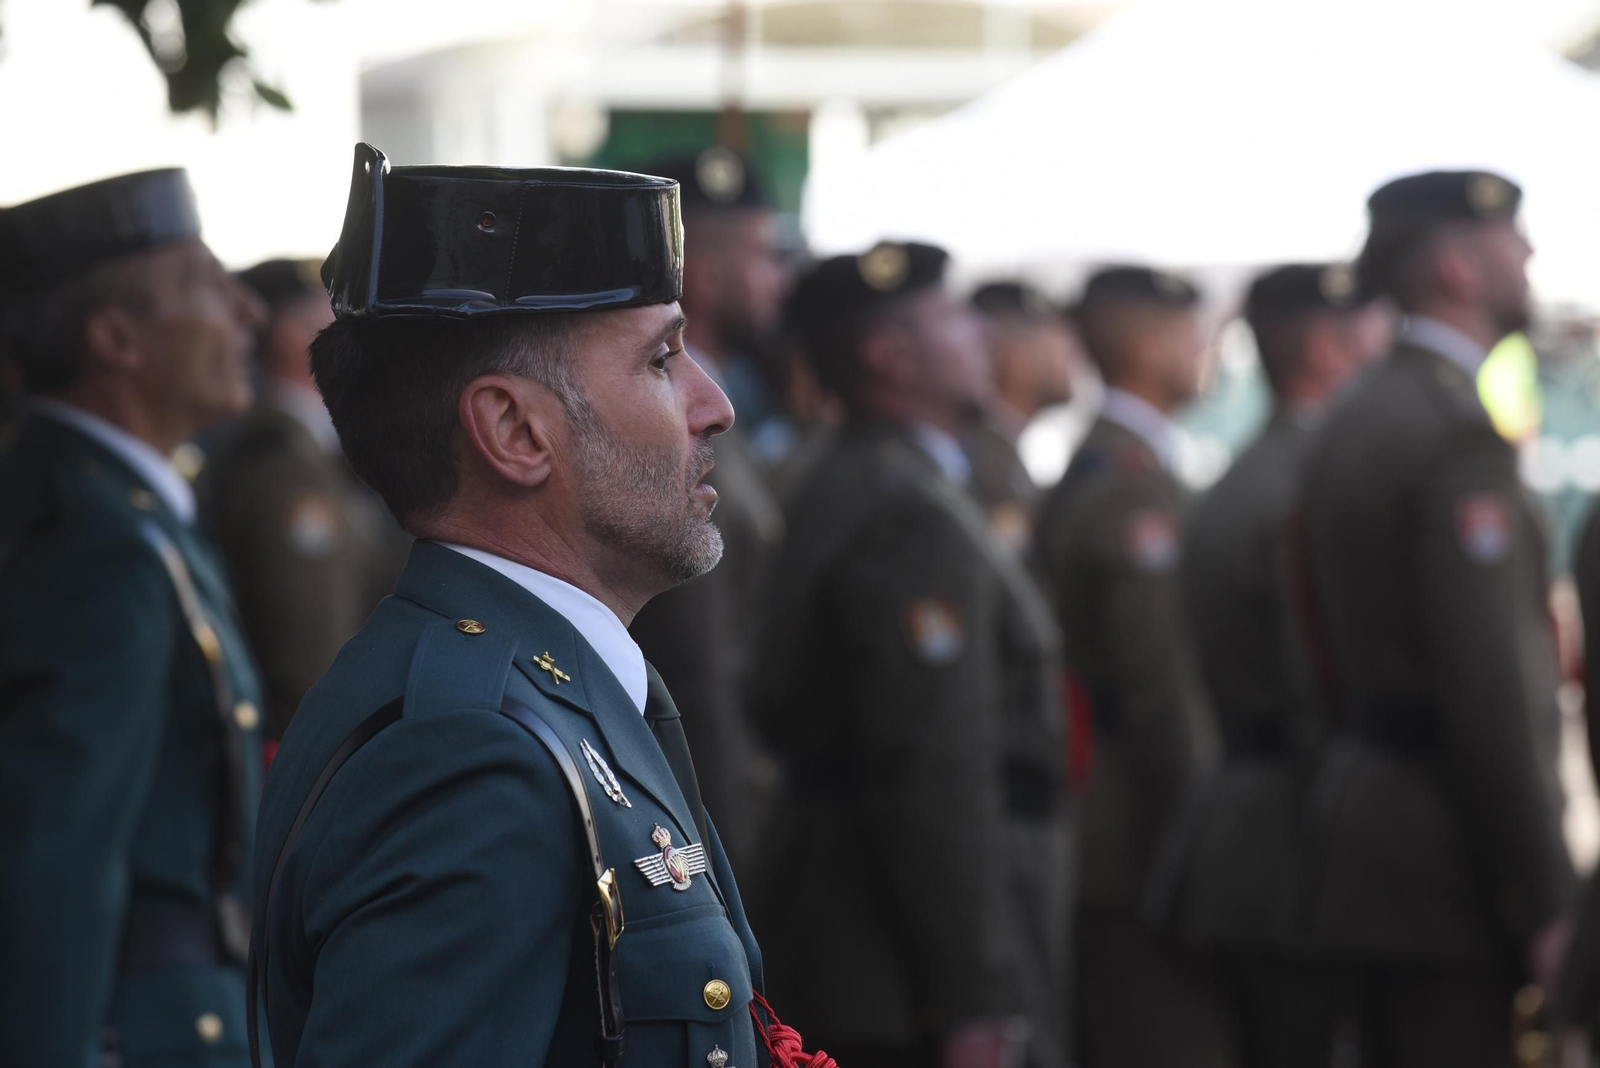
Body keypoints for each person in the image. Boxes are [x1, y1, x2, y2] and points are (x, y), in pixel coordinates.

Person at [250, 144, 792, 1067]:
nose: (714, 405)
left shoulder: (538, 693)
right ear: (513, 431)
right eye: (661, 359)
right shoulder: (470, 753)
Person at [752, 241, 1070, 1068]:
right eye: (954, 319)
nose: (982, 334)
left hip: (860, 925)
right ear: (887, 355)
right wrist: (974, 995)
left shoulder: (872, 475)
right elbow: (934, 763)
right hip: (893, 955)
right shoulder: (907, 509)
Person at [1296, 170, 1574, 1068]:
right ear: (1457, 267)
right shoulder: (1452, 429)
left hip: (1369, 836)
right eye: (1509, 238)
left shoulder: (1357, 410)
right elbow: (1494, 688)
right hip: (1449, 861)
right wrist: (1543, 898)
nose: (1528, 253)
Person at [0, 170, 267, 1067]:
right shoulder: (100, 541)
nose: (246, 311)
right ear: (116, 339)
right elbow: (56, 854)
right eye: (206, 287)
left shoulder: (113, 509)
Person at [1171, 263, 1392, 1067]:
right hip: (1296, 849)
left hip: (1242, 834)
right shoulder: (1313, 483)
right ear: (1329, 350)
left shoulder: (1244, 476)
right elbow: (1321, 692)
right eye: (1377, 337)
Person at [1033, 265, 1232, 1067]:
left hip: (1114, 826)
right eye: (1194, 338)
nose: (1208, 355)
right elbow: (1161, 690)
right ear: (1149, 350)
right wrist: (1202, 846)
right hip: (1135, 837)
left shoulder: (1116, 466)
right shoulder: (1130, 487)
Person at [626, 148, 789, 866]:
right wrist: (727, 871)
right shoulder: (665, 421)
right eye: (762, 256)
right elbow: (698, 681)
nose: (779, 280)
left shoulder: (724, 400)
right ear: (704, 273)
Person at [202, 258, 409, 743]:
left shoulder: (313, 451)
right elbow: (311, 658)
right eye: (333, 312)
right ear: (292, 336)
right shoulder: (285, 466)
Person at [968, 280, 1081, 551]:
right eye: (1063, 343)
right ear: (1016, 358)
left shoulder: (998, 447)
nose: (1075, 357)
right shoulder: (982, 457)